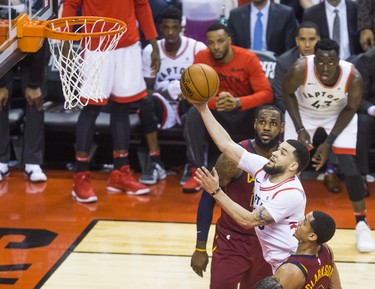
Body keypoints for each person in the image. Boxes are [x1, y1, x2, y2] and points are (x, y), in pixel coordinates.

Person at [191, 100, 310, 272]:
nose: (275, 153)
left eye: (282, 152)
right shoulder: (263, 167)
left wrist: (216, 191)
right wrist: (203, 109)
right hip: (269, 257)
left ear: (292, 167)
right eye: (279, 149)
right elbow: (225, 144)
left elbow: (247, 221)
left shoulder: (291, 193)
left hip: (291, 265)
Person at [61, 0, 161, 203]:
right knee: (91, 110)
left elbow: (141, 5)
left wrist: (153, 44)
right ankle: (80, 175)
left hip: (128, 46)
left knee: (122, 109)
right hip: (96, 46)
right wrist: (65, 39)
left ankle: (120, 172)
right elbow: (71, 5)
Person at [282, 38, 375, 253]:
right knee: (287, 168)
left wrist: (328, 143)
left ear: (338, 60)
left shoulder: (353, 76)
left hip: (338, 115)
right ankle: (284, 225)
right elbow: (286, 94)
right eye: (320, 62)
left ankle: (362, 224)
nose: (325, 67)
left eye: (331, 62)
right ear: (314, 60)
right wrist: (299, 129)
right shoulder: (300, 68)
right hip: (303, 114)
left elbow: (351, 108)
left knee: (350, 168)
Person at [182, 22, 273, 193]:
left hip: (243, 114)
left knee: (264, 111)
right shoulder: (202, 58)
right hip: (216, 114)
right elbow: (191, 96)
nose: (216, 47)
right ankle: (197, 170)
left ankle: (264, 169)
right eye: (211, 42)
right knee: (193, 113)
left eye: (221, 41)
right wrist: (216, 102)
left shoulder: (248, 58)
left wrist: (238, 102)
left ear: (229, 40)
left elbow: (267, 93)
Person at [140, 6, 206, 185]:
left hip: (188, 103)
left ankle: (192, 165)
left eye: (174, 27)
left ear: (181, 28)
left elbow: (206, 86)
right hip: (163, 105)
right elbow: (147, 90)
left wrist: (187, 91)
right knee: (145, 103)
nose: (170, 32)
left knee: (192, 103)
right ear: (160, 28)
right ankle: (155, 162)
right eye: (166, 28)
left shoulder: (197, 48)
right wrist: (168, 90)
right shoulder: (150, 51)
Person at [273, 22, 341, 194]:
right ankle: (289, 175)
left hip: (324, 109)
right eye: (303, 39)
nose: (307, 44)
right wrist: (299, 120)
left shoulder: (330, 61)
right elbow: (281, 97)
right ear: (296, 41)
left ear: (318, 40)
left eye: (312, 39)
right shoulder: (285, 61)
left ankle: (331, 171)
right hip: (295, 112)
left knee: (341, 119)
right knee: (284, 121)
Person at [0, 8, 49, 183]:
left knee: (35, 99)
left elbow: (42, 38)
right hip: (3, 46)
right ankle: (1, 161)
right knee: (0, 98)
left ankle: (33, 162)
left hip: (34, 45)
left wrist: (34, 84)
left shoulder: (38, 6)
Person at [274, 211, 342, 289]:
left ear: (312, 236)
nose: (299, 222)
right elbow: (336, 287)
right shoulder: (327, 250)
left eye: (304, 222)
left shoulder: (291, 271)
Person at [227, 0, 298, 56]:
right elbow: (232, 48)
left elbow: (290, 50)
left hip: (276, 67)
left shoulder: (286, 14)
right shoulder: (235, 15)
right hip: (243, 67)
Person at [354, 47, 375, 194]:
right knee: (362, 122)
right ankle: (360, 176)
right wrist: (372, 109)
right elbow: (358, 97)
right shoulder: (367, 60)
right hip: (372, 111)